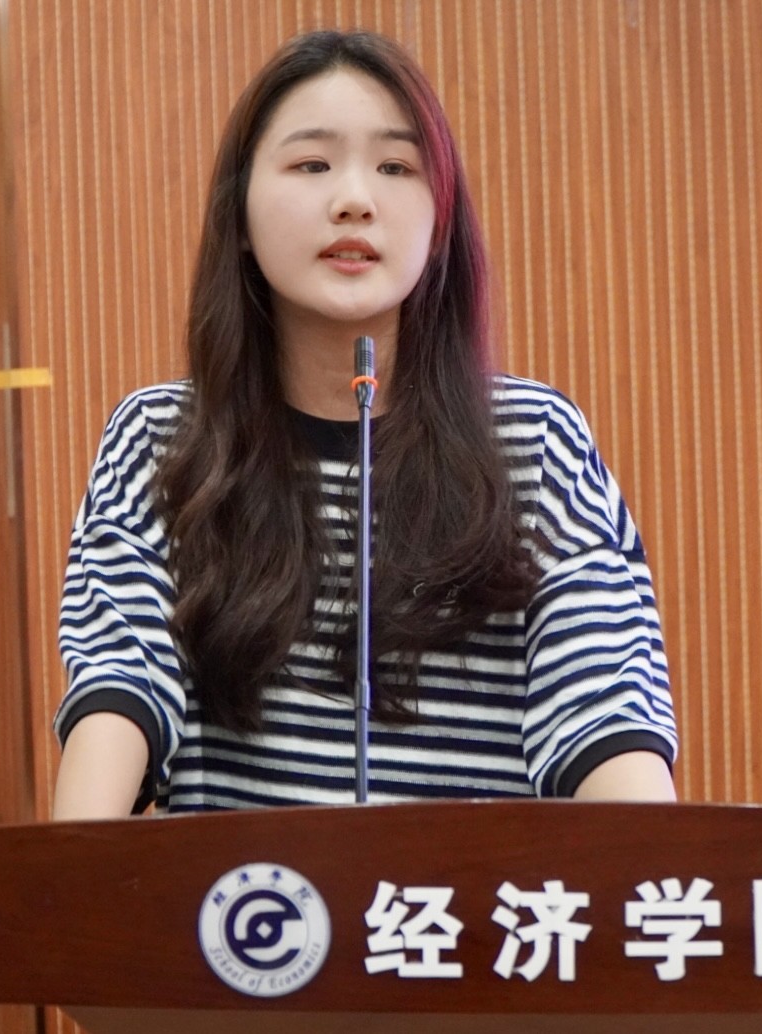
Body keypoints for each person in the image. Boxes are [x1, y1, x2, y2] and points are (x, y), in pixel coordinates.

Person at [51, 29, 677, 820]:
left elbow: (606, 714)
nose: (354, 199)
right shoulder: (160, 441)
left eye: (395, 167)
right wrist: (68, 878)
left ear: (439, 221)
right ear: (238, 215)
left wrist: (651, 878)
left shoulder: (535, 444)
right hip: (242, 898)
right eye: (312, 165)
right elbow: (119, 685)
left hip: (461, 899)